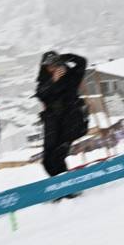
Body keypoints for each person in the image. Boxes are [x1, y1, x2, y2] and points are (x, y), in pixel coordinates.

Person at [34, 51, 88, 179]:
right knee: (47, 161)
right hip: (52, 124)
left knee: (58, 157)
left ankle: (67, 187)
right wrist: (53, 81)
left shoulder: (71, 77)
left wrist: (67, 57)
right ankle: (61, 186)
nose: (52, 68)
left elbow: (82, 62)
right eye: (48, 66)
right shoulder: (44, 82)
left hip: (70, 122)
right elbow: (41, 94)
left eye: (54, 65)